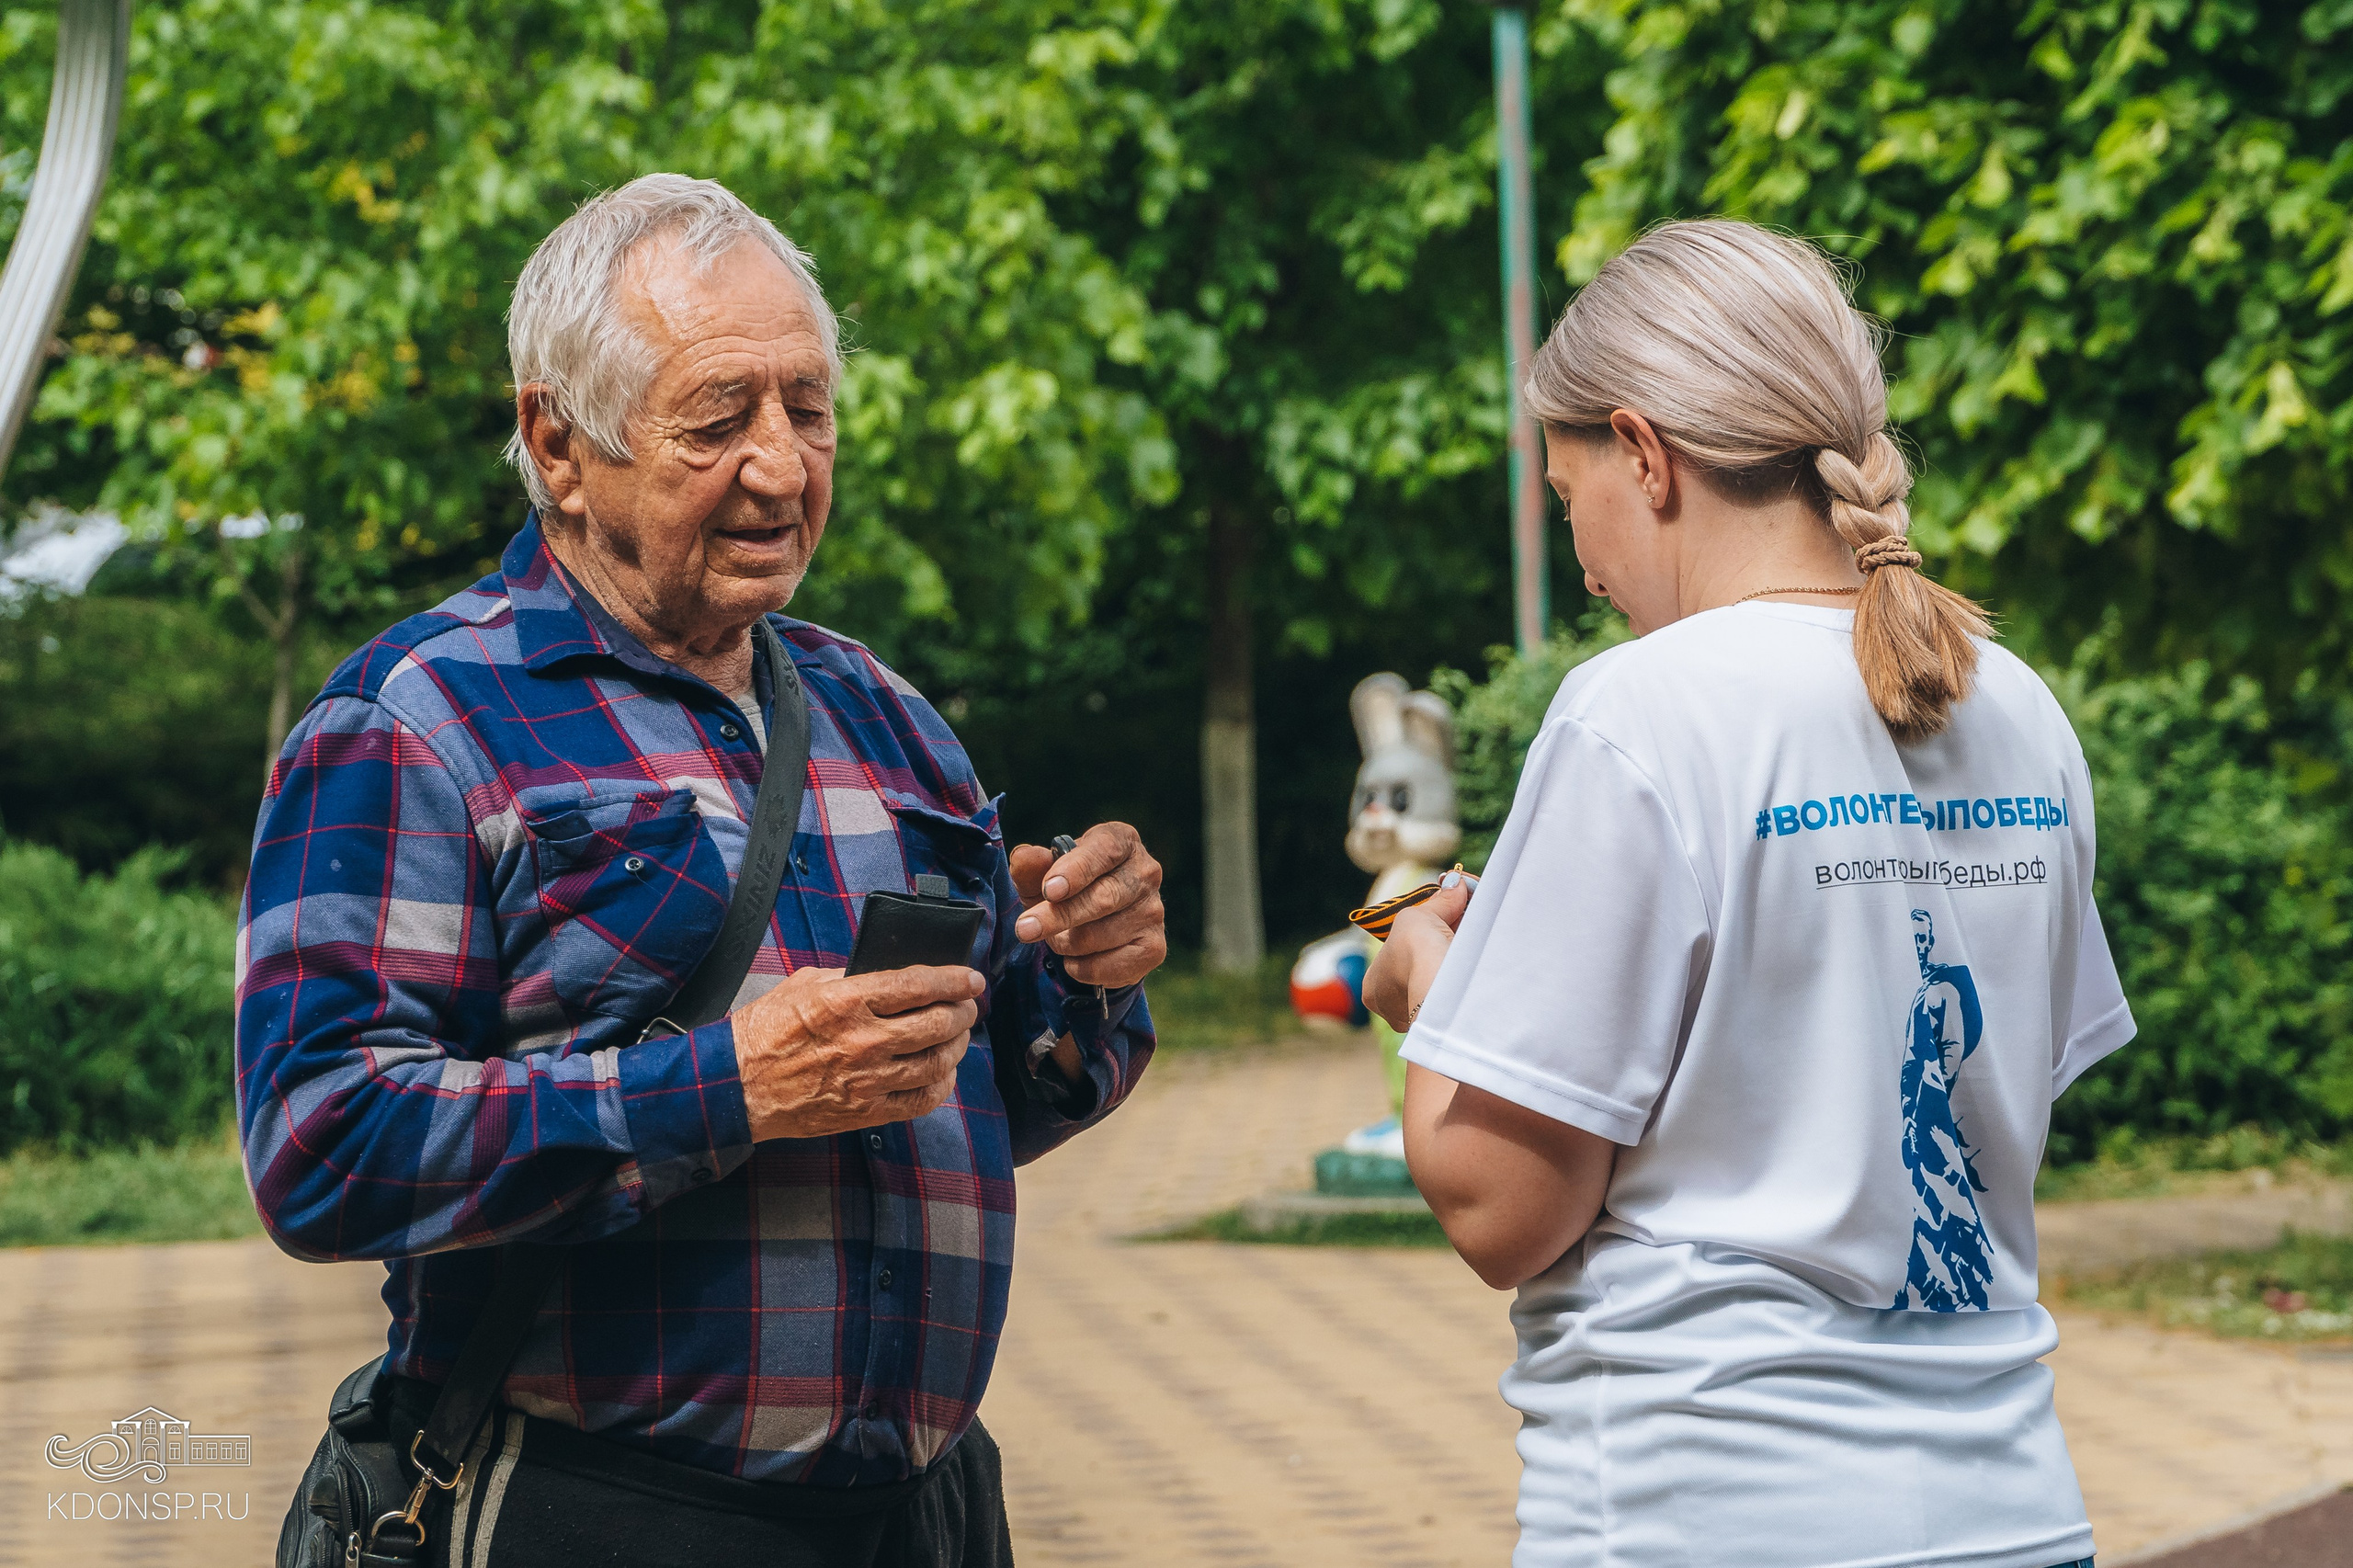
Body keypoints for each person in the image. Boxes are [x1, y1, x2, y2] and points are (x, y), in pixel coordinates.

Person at [234, 174, 1167, 1566]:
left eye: (808, 407)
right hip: (599, 1512)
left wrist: (1079, 976)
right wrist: (725, 1088)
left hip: (929, 1514)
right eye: (718, 420)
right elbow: (320, 1141)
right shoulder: (418, 719)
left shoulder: (884, 713)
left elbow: (984, 1093)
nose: (782, 466)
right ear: (557, 443)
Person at [1363, 219, 2132, 1568]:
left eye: (1569, 495)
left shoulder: (1639, 712)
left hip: (1706, 1509)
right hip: (2015, 1510)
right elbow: (1985, 1096)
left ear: (1645, 453)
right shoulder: (2017, 707)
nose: (1589, 566)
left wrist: (1432, 980)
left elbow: (1502, 1207)